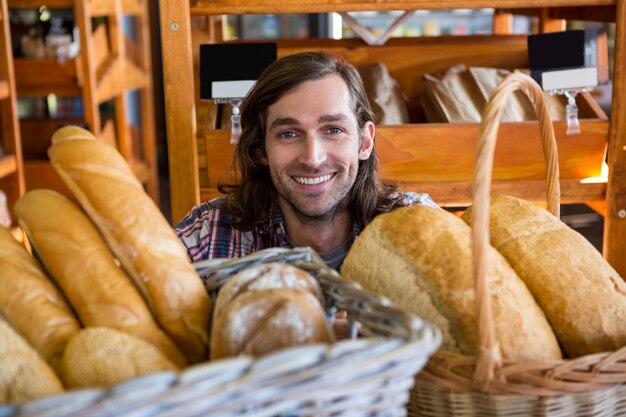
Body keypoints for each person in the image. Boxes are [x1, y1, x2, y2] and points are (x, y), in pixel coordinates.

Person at [175, 51, 438, 270]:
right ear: (260, 150)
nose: (312, 158)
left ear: (365, 142)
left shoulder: (419, 227)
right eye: (288, 134)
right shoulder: (206, 235)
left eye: (333, 130)